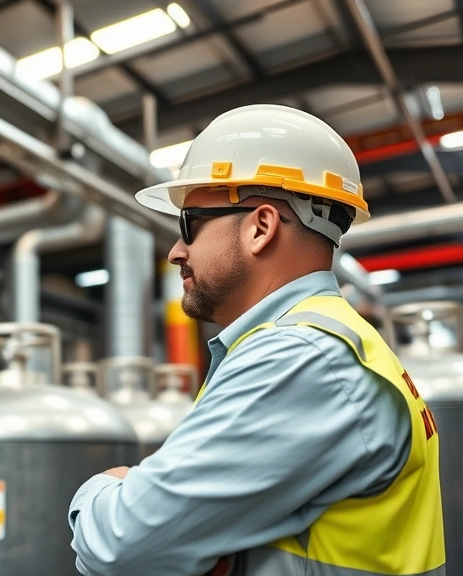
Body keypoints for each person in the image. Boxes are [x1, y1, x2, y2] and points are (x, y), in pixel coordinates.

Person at [67, 104, 445, 576]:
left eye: (190, 224)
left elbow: (123, 546)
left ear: (261, 227)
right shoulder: (330, 342)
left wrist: (102, 489)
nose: (175, 251)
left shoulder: (301, 357)